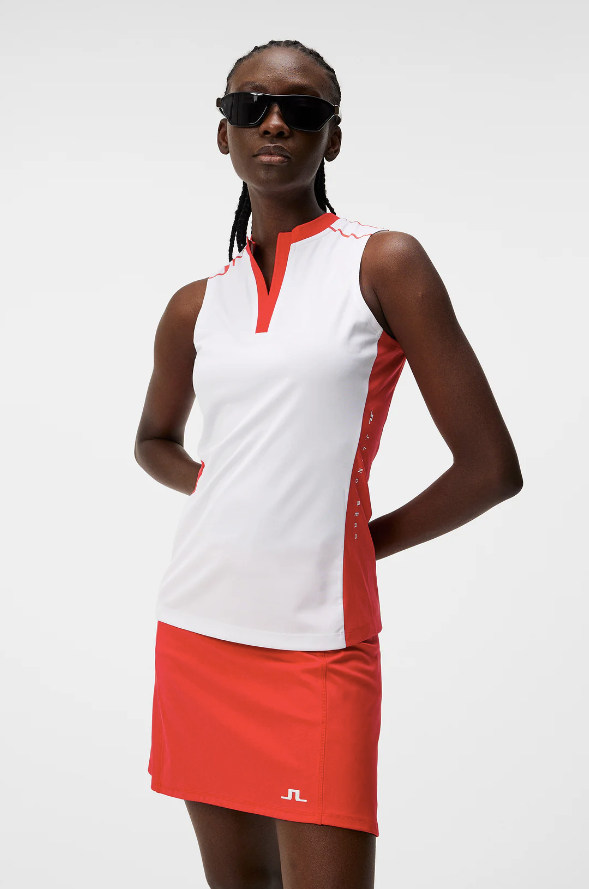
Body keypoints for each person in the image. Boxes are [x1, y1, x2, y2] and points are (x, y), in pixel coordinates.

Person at [134, 38, 523, 889]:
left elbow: (490, 468)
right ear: (223, 132)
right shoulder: (196, 305)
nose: (274, 122)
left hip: (318, 640)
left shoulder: (382, 262)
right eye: (250, 106)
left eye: (303, 109)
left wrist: (356, 543)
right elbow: (153, 440)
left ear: (332, 138)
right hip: (198, 629)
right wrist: (219, 486)